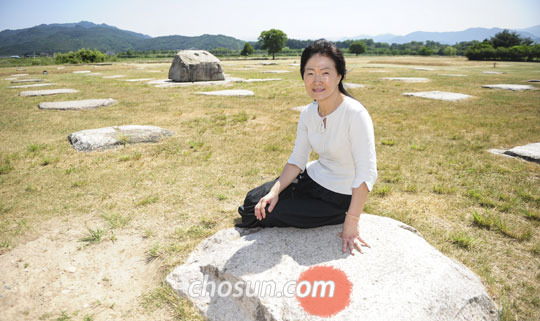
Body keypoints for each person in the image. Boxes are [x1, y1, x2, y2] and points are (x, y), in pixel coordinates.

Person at [236, 39, 377, 255]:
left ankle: (335, 215)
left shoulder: (355, 114)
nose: (317, 80)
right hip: (311, 178)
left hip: (339, 196)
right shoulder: (309, 113)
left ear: (339, 76)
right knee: (255, 201)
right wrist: (274, 191)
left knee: (259, 214)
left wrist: (351, 223)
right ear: (303, 77)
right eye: (310, 73)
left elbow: (367, 173)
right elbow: (297, 160)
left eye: (325, 72)